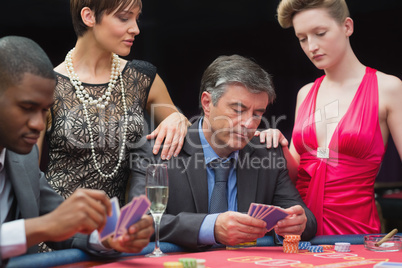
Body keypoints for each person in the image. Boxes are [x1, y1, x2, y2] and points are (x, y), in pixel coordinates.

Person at [129, 55, 317, 250]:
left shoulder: (267, 153)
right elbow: (138, 221)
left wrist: (297, 223)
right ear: (207, 103)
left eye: (257, 114)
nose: (248, 123)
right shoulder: (158, 151)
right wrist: (210, 227)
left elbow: (307, 221)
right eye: (237, 110)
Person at [0, 35, 154, 265]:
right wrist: (43, 227)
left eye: (44, 111)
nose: (39, 124)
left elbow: (65, 228)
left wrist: (107, 239)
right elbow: (49, 224)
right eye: (27, 108)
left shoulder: (24, 159)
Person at [258, 0, 402, 236]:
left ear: (347, 26)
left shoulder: (388, 89)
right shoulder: (305, 94)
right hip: (301, 233)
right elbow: (293, 172)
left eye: (320, 33)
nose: (311, 46)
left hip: (356, 234)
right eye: (302, 38)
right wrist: (276, 143)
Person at [37, 0, 190, 206]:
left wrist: (179, 118)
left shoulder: (143, 79)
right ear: (88, 17)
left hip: (118, 229)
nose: (135, 29)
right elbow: (25, 175)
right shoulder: (48, 86)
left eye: (137, 18)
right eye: (124, 18)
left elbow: (186, 139)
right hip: (59, 225)